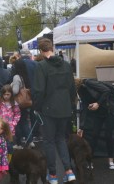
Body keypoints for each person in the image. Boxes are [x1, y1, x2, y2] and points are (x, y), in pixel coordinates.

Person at [32, 38, 76, 184]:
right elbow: (72, 88)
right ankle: (69, 171)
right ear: (52, 48)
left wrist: (36, 107)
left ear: (40, 50)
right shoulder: (66, 65)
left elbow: (38, 90)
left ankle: (53, 175)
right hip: (65, 107)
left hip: (48, 109)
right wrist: (70, 105)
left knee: (49, 141)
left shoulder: (41, 66)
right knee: (61, 139)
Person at [77, 78, 114, 170]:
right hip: (98, 113)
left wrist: (98, 103)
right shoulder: (79, 91)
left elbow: (106, 91)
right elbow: (84, 107)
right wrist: (81, 127)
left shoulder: (88, 82)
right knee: (94, 135)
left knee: (108, 135)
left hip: (110, 110)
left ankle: (111, 161)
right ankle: (90, 161)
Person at [11, 59, 34, 148]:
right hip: (24, 103)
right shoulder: (24, 75)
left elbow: (15, 91)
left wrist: (10, 88)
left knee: (17, 123)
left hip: (18, 103)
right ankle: (30, 140)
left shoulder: (16, 77)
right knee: (24, 121)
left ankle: (18, 143)